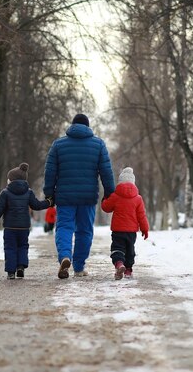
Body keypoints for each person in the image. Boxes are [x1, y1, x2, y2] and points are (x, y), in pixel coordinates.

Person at [44, 113, 115, 279]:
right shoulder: (98, 144)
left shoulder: (58, 145)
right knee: (84, 231)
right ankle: (78, 266)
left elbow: (50, 172)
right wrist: (109, 193)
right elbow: (106, 171)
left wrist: (49, 193)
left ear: (72, 126)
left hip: (65, 197)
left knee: (64, 227)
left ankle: (65, 256)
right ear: (88, 127)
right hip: (87, 197)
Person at [0, 163, 51, 279]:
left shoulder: (5, 193)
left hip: (10, 227)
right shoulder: (28, 192)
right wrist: (49, 203)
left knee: (10, 247)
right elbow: (36, 205)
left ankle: (11, 272)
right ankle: (20, 267)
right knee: (23, 246)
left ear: (12, 180)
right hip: (24, 227)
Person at [101, 167, 149, 280]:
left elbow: (106, 208)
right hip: (131, 232)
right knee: (129, 250)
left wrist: (104, 199)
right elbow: (142, 216)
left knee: (117, 248)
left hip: (118, 230)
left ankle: (119, 264)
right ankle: (128, 270)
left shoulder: (115, 196)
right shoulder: (138, 199)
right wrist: (145, 229)